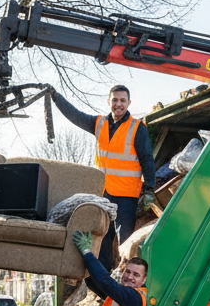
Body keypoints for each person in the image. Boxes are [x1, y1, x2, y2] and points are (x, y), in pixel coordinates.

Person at [52, 85, 157, 268]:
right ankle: (105, 283)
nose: (119, 104)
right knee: (101, 241)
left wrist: (149, 188)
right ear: (109, 102)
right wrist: (55, 97)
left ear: (128, 103)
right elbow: (75, 115)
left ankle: (128, 286)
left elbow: (147, 159)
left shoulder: (137, 128)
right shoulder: (99, 123)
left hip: (126, 196)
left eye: (122, 100)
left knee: (125, 243)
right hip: (102, 195)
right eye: (115, 100)